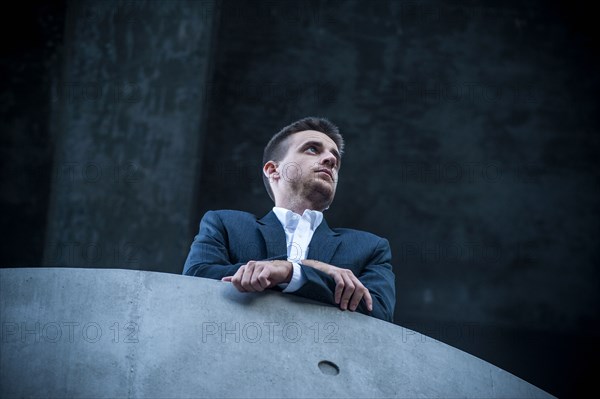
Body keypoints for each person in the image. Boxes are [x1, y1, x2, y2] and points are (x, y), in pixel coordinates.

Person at [183, 117, 396, 322]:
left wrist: (290, 271)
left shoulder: (370, 247)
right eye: (312, 149)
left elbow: (378, 312)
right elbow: (194, 281)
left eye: (336, 160)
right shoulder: (225, 224)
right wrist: (310, 268)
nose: (331, 160)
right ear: (273, 170)